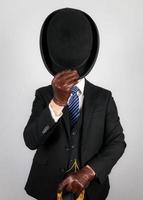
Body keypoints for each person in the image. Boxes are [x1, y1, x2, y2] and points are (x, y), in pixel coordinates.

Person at [23, 7, 127, 200]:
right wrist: (56, 103)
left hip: (91, 190)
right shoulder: (43, 95)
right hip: (47, 189)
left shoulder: (103, 98)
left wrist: (88, 172)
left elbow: (117, 142)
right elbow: (30, 141)